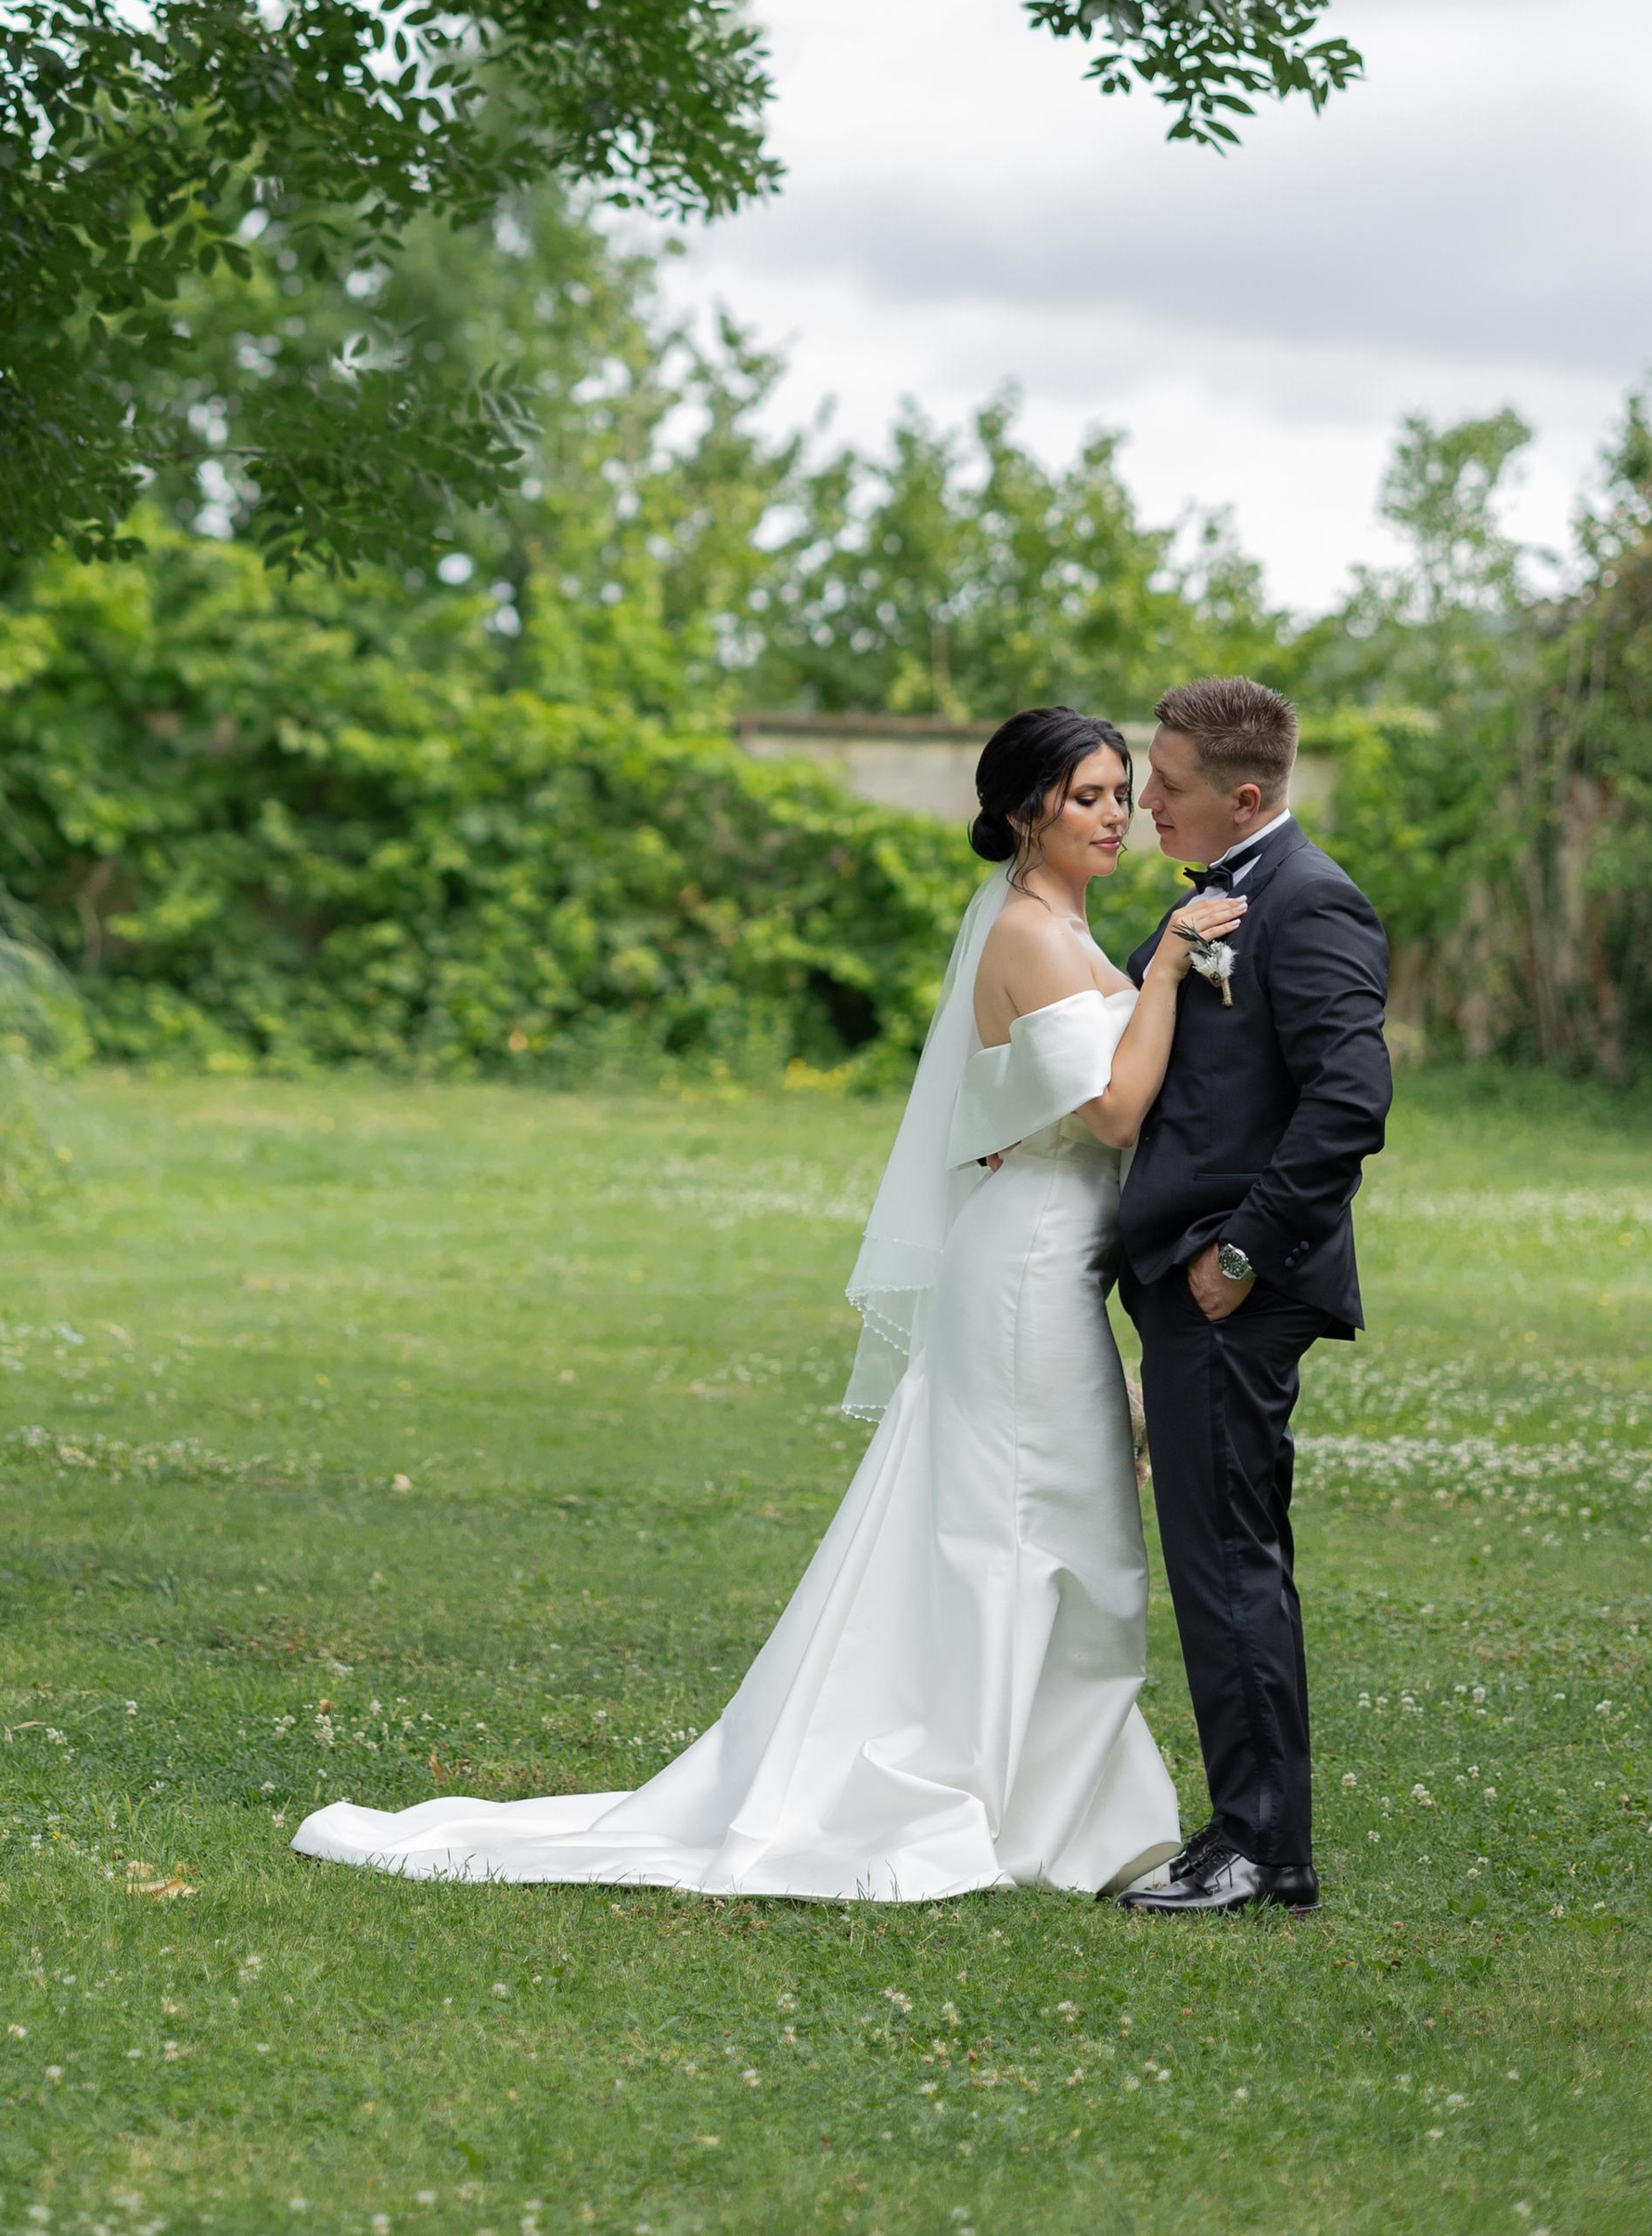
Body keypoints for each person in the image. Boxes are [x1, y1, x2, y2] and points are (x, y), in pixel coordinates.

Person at [291, 706, 1243, 1905]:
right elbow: (1110, 1114)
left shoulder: (1065, 926)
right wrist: (1165, 970)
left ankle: (1058, 1800)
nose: (1114, 816)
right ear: (1021, 814)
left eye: (1120, 794)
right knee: (1040, 1532)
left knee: (1071, 1536)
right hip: (1024, 1276)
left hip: (1053, 1256)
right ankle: (1006, 1806)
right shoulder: (1033, 937)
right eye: (1089, 797)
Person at [1109, 677, 1392, 1919]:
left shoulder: (1312, 902)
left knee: (1230, 1565)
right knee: (1218, 1558)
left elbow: (1349, 1103)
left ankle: (1260, 1849)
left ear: (1243, 795)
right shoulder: (1215, 902)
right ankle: (1248, 1836)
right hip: (1189, 1277)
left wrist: (1238, 1260)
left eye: (1164, 786)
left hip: (1236, 1287)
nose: (1144, 802)